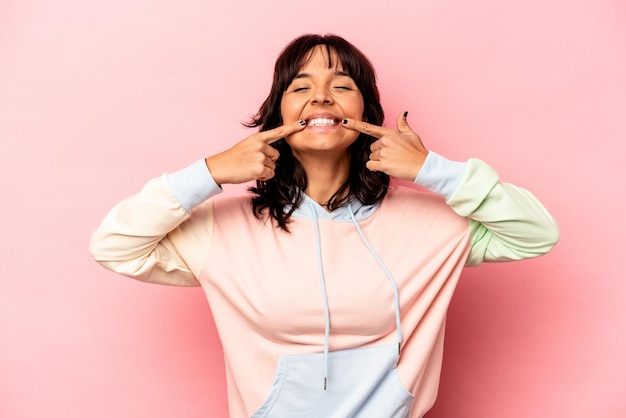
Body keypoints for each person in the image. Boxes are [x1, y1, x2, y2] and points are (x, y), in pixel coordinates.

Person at [90, 34, 559, 418]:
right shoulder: (223, 228)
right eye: (300, 86)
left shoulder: (431, 225)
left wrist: (433, 169)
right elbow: (114, 246)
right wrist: (209, 172)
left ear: (366, 113)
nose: (320, 94)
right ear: (277, 116)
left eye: (342, 84)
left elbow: (537, 233)